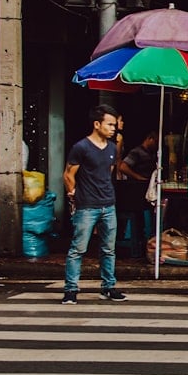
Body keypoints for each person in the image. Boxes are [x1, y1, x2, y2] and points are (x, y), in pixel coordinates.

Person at [61, 104, 125, 305]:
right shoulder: (81, 147)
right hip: (86, 205)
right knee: (78, 249)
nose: (113, 128)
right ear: (97, 124)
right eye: (110, 124)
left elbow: (109, 173)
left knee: (109, 249)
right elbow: (68, 175)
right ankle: (71, 290)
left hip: (109, 204)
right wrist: (73, 195)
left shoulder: (113, 148)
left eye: (115, 125)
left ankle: (108, 287)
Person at [116, 129, 158, 246]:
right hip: (135, 191)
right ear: (150, 139)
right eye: (155, 142)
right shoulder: (137, 152)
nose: (156, 146)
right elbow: (123, 167)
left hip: (147, 189)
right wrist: (138, 177)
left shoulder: (152, 154)